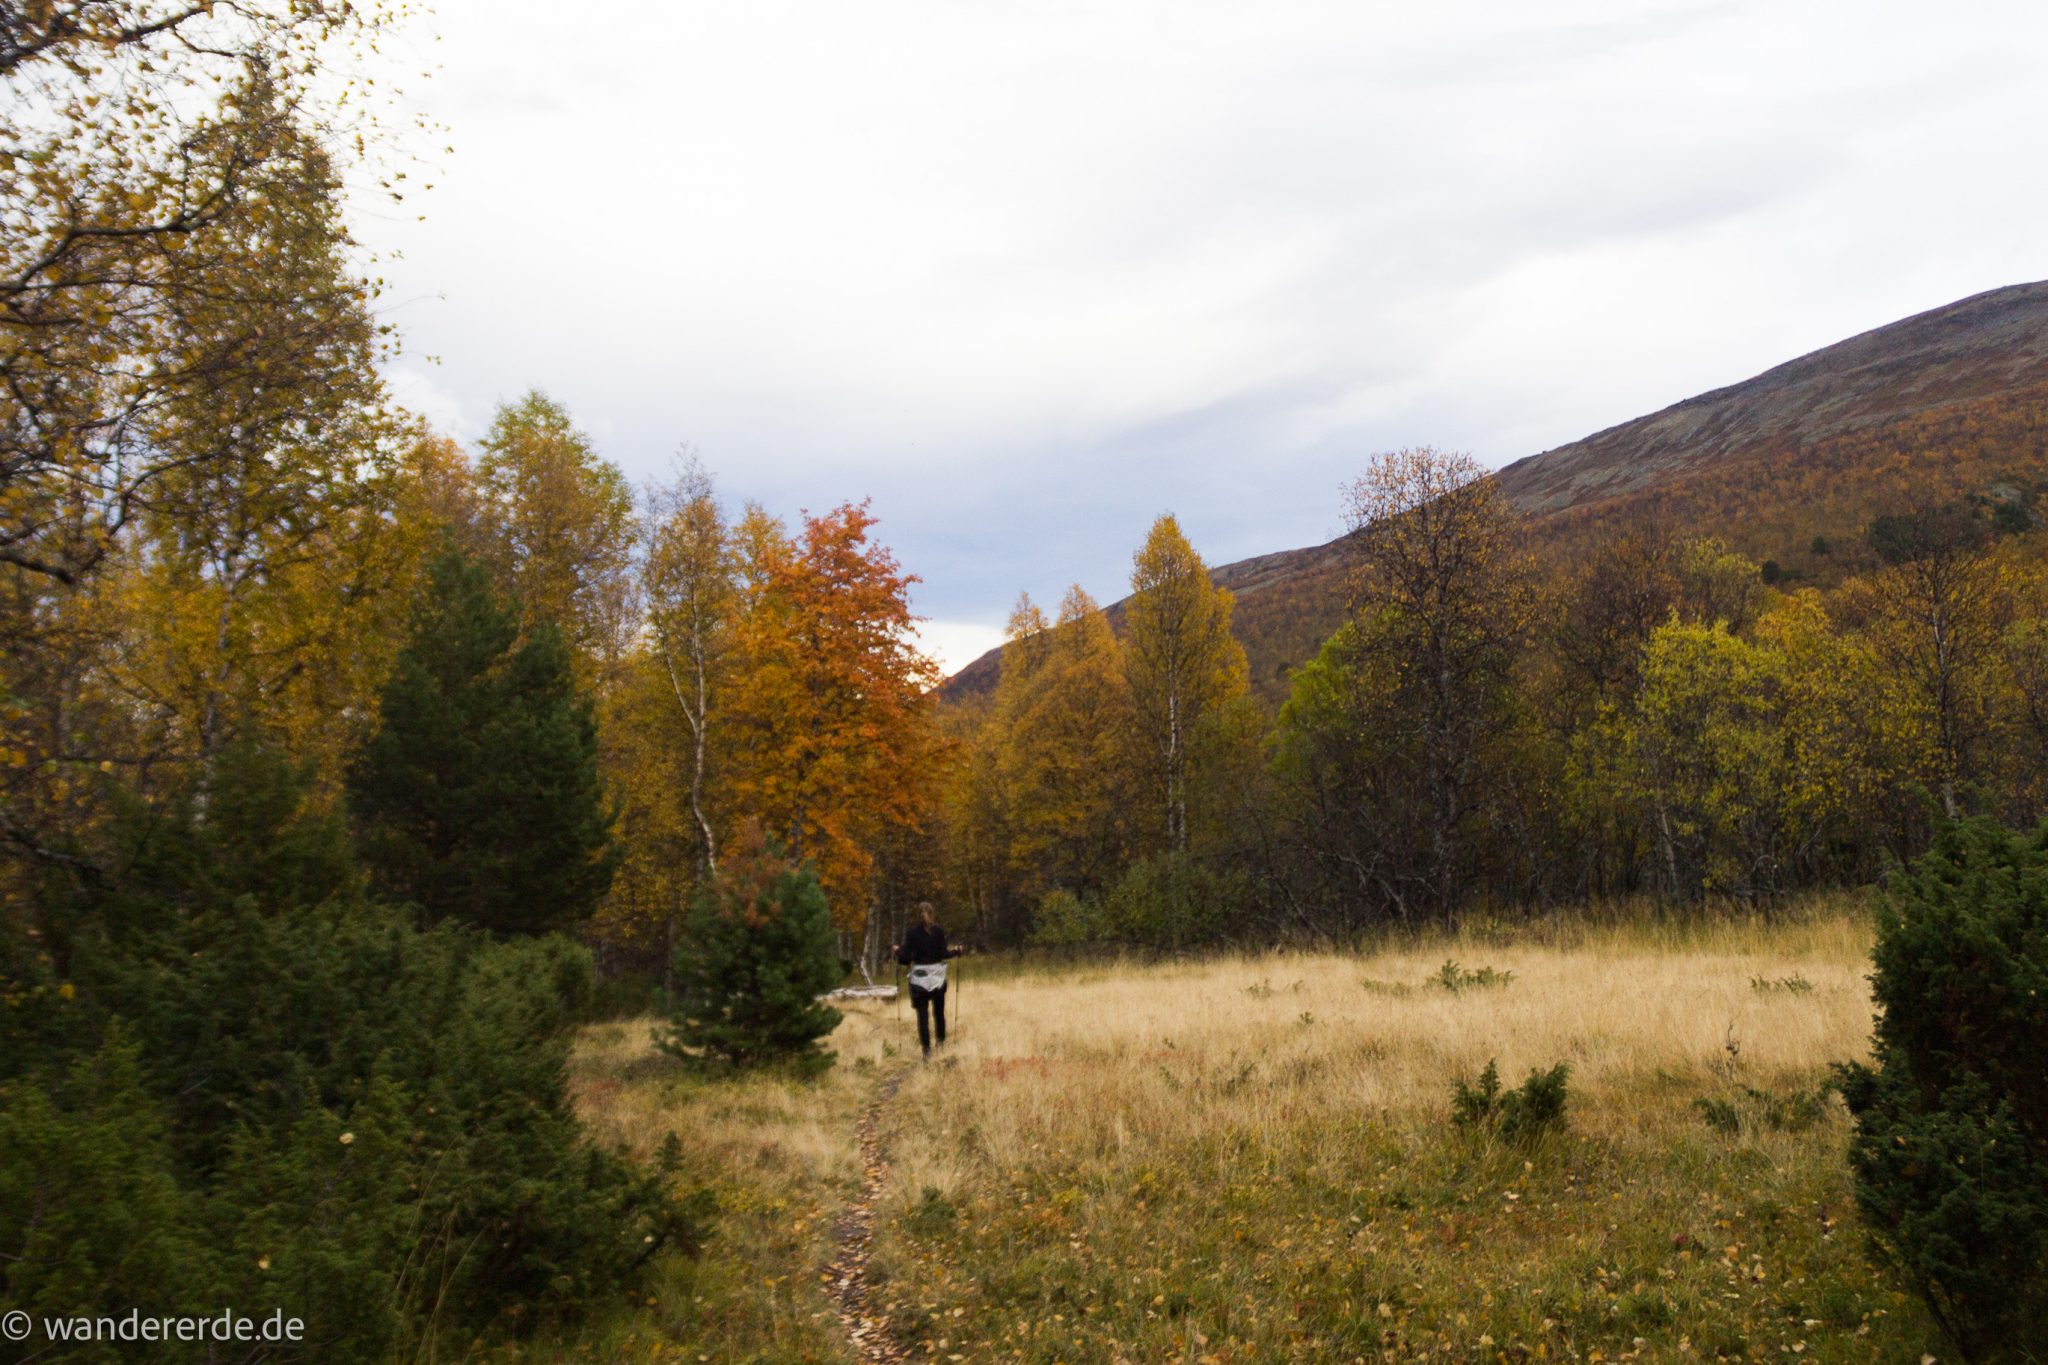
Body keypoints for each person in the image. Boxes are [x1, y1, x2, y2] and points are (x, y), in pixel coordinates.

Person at [893, 902, 956, 1058]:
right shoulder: (939, 932)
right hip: (937, 978)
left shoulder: (912, 933)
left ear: (918, 915)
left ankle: (926, 1051)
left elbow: (906, 959)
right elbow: (944, 954)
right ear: (932, 914)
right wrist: (957, 951)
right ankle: (940, 1045)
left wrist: (897, 951)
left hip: (919, 980)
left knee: (923, 1017)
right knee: (939, 1013)